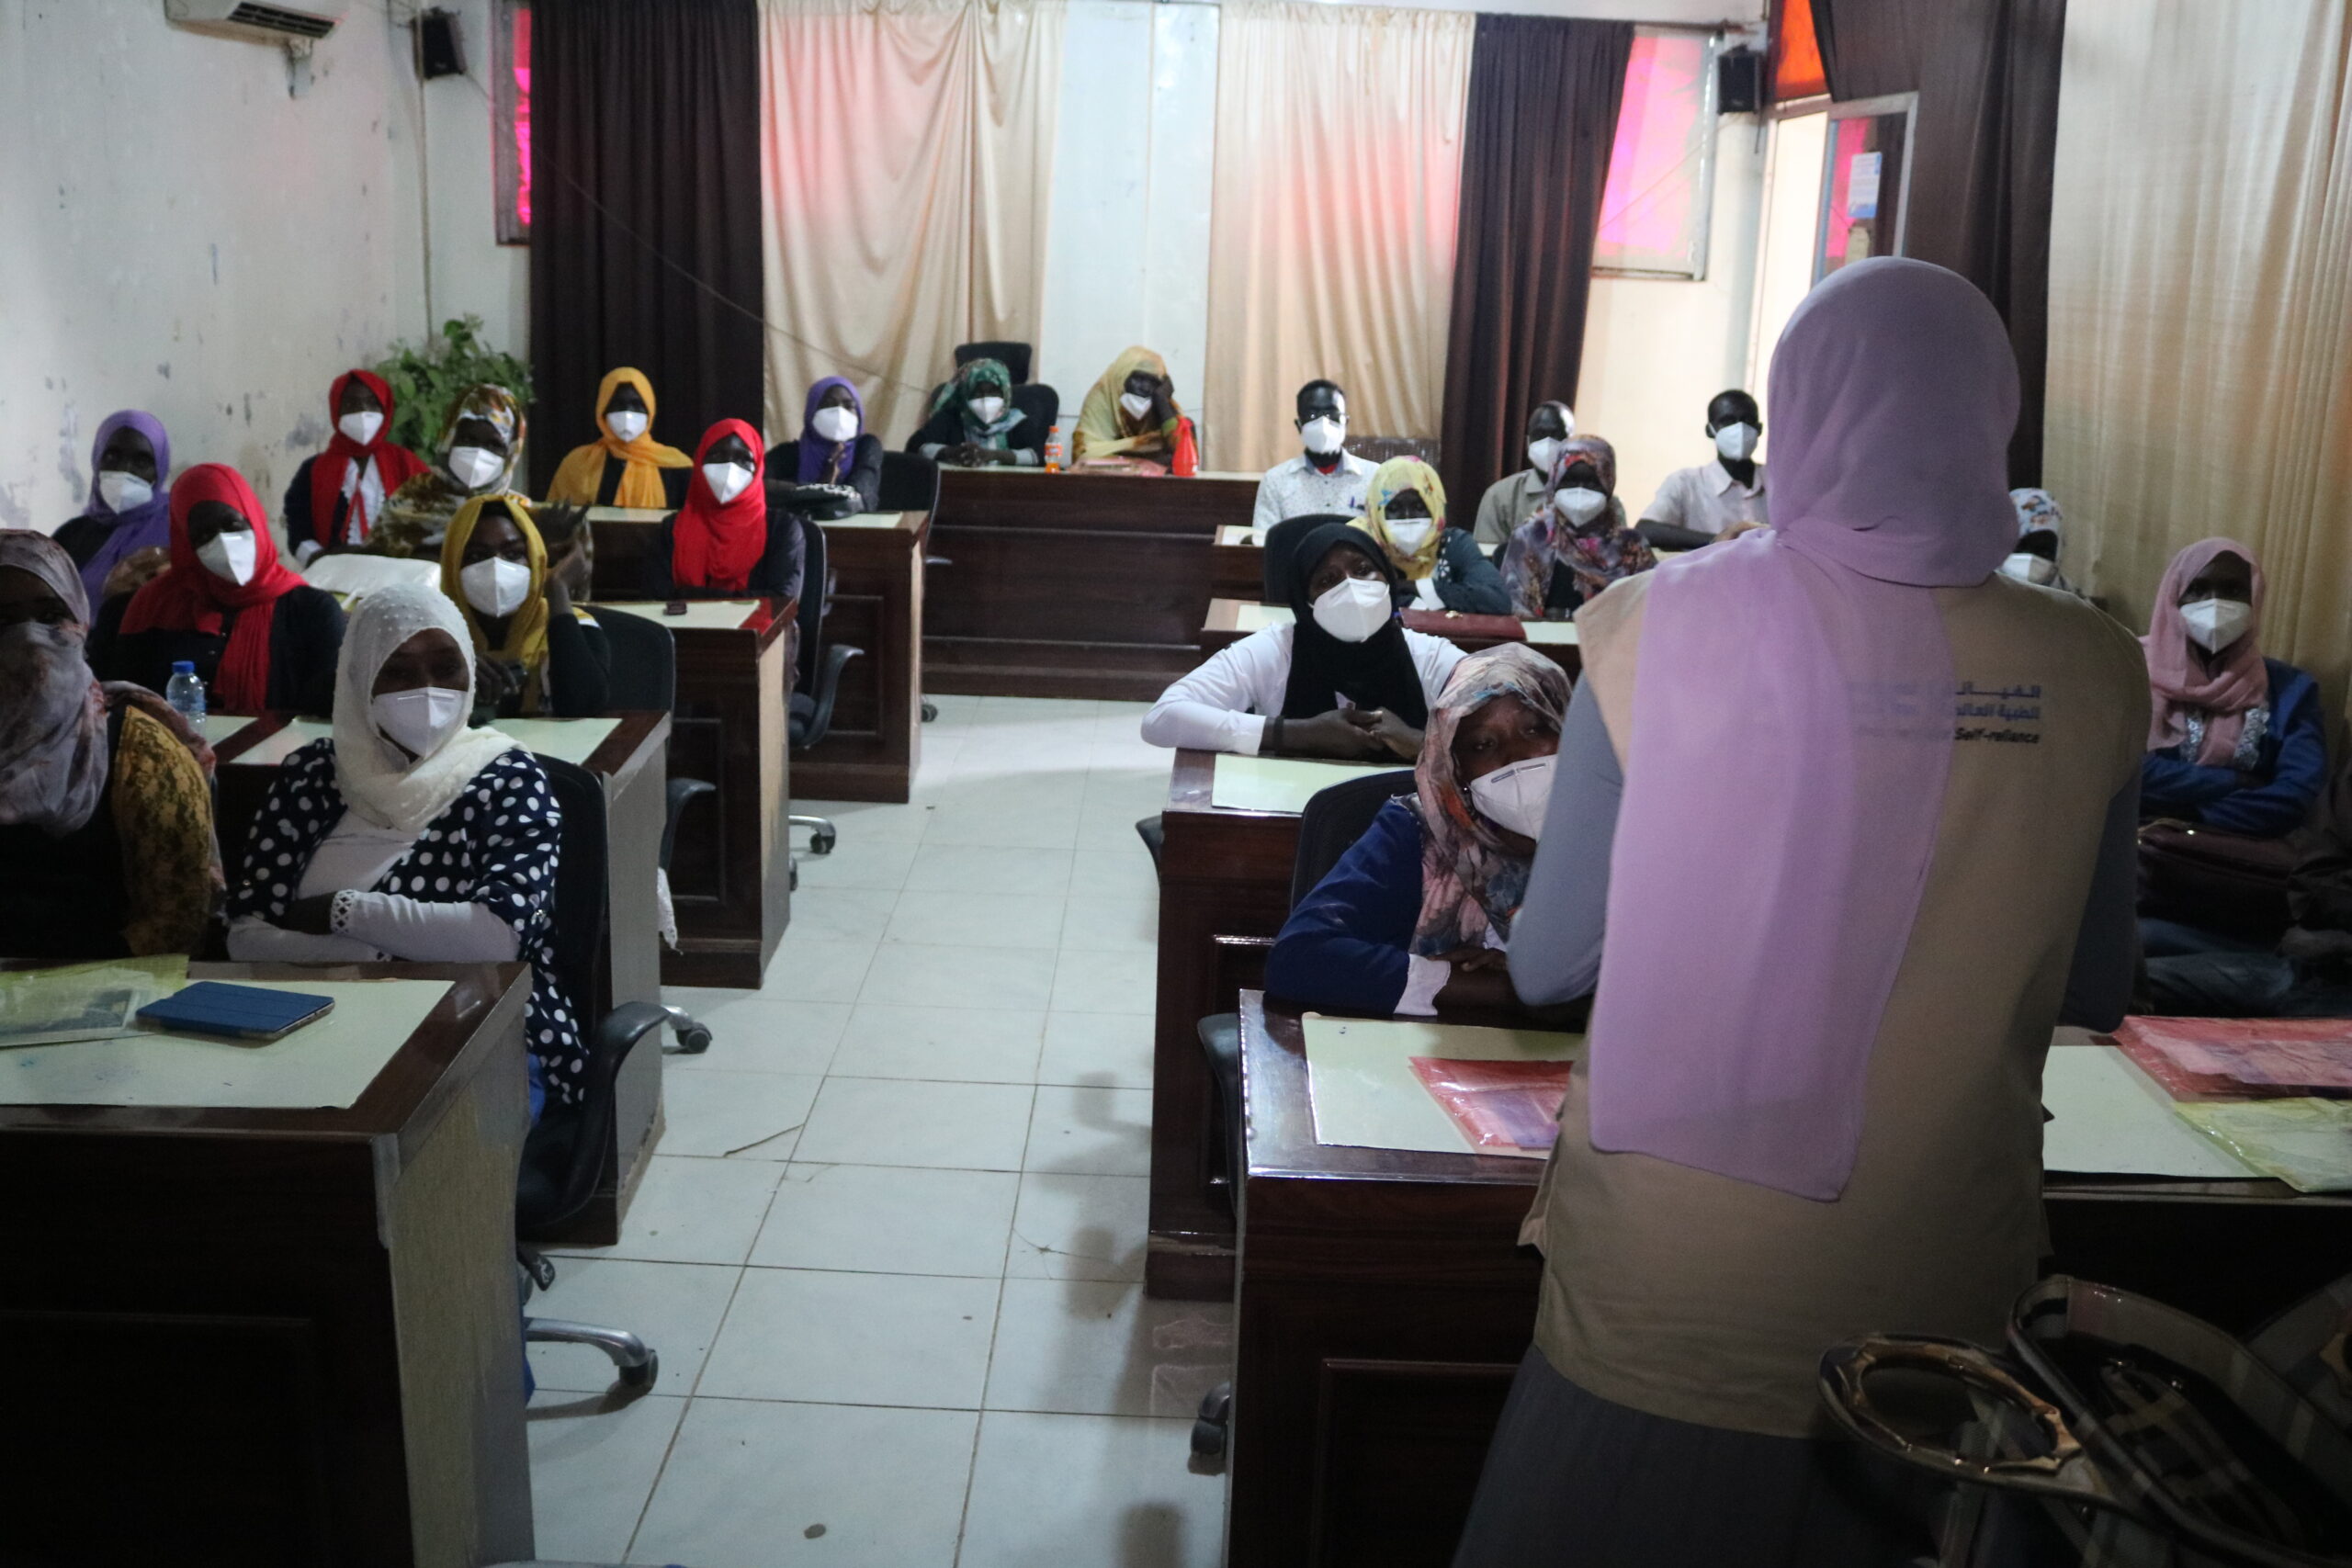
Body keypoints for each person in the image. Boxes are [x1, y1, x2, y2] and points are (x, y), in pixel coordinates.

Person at [1451, 258, 2151, 1568]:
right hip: (1935, 1269)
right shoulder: (2097, 665)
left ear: (1798, 407)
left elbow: (1552, 967)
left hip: (1674, 1265)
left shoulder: (1652, 626)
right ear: (1988, 410)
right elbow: (2096, 986)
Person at [223, 583, 587, 1120]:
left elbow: (496, 936)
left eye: (446, 667)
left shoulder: (506, 778)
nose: (427, 690)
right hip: (313, 1024)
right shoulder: (313, 775)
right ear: (359, 679)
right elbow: (246, 937)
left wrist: (339, 912)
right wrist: (380, 955)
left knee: (423, 1153)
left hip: (478, 1027)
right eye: (397, 672)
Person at [1267, 646, 1569, 1017]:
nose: (1515, 757)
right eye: (1483, 745)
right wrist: (1497, 988)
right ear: (1456, 771)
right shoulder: (1418, 832)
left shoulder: (1619, 838)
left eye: (1536, 728)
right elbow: (1299, 959)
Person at [0, 531, 220, 961]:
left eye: (50, 615)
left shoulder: (140, 750)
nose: (30, 638)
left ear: (80, 619)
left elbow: (176, 919)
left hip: (103, 992)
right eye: (3, 621)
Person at [1141, 521, 1464, 759]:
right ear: (1303, 602)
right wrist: (1296, 734)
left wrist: (1419, 742)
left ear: (1389, 580)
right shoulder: (1277, 650)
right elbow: (1163, 718)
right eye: (1328, 580)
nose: (1350, 588)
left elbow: (1506, 725)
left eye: (1364, 570)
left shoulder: (1428, 656)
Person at [89, 463, 345, 716]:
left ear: (254, 519)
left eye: (233, 525)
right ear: (187, 547)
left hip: (282, 754)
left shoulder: (312, 611)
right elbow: (123, 703)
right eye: (204, 535)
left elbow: (328, 712)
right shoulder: (154, 606)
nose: (223, 542)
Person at [2144, 748, 2352, 1018]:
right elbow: (2313, 881)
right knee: (2122, 978)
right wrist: (2231, 784)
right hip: (2313, 964)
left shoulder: (2290, 711)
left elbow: (2292, 799)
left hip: (2324, 978)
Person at [2140, 538, 2323, 840]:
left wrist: (2190, 817)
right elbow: (2125, 773)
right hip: (2134, 854)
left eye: (2233, 590)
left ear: (2255, 599)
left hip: (2231, 864)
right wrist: (2235, 782)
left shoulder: (2291, 690)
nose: (2214, 603)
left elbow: (2297, 796)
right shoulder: (2132, 669)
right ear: (2173, 598)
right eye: (2197, 589)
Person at [439, 495, 609, 718]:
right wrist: (449, 671)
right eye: (476, 556)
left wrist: (557, 587)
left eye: (513, 554)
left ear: (534, 561)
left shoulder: (576, 624)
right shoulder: (434, 637)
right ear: (452, 564)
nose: (496, 567)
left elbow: (584, 708)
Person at [645, 419, 807, 603]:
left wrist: (687, 594)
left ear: (758, 469)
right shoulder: (671, 529)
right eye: (717, 456)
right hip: (685, 630)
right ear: (699, 462)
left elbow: (780, 602)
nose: (730, 467)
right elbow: (655, 598)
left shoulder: (782, 529)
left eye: (743, 459)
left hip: (756, 630)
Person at [284, 369, 430, 562]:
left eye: (372, 403)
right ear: (337, 410)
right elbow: (298, 530)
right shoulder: (313, 470)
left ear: (384, 409)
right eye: (351, 404)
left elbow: (432, 523)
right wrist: (324, 559)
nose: (362, 412)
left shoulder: (407, 464)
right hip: (334, 573)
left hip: (399, 573)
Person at [1500, 436, 1656, 619]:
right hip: (1539, 643)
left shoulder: (1632, 546)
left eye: (1591, 483)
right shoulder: (1530, 537)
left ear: (1608, 484)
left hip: (1613, 645)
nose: (1580, 491)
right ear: (1555, 483)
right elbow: (1513, 607)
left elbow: (1652, 612)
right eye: (1570, 481)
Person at [373, 383, 527, 558]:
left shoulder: (521, 515)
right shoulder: (410, 496)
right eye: (468, 439)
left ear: (511, 453)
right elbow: (373, 562)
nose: (478, 452)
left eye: (493, 445)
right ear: (449, 439)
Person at [1353, 457, 1510, 615]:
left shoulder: (1453, 543)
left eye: (1419, 507)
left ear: (1435, 507)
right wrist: (1423, 602)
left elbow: (1497, 601)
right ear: (1376, 512)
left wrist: (1408, 586)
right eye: (1394, 508)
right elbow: (1356, 602)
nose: (1407, 517)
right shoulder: (1360, 541)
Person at [53, 411, 176, 609]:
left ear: (160, 469)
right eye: (112, 456)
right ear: (97, 460)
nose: (125, 470)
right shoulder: (70, 536)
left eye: (142, 461)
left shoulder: (179, 529)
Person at [1635, 389, 1770, 551]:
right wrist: (1718, 541)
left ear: (1759, 428)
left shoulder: (1778, 482)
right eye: (1727, 421)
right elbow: (1646, 530)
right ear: (1710, 430)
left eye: (1747, 420)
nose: (1739, 428)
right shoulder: (1686, 483)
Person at [543, 367, 694, 510]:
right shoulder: (577, 464)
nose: (628, 413)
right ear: (602, 410)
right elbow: (554, 523)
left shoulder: (677, 467)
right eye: (618, 404)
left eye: (636, 404)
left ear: (650, 410)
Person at [1250, 379, 1376, 538]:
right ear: (1299, 425)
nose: (1323, 422)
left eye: (1332, 414)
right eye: (1312, 415)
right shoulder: (1275, 481)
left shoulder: (1375, 476)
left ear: (1346, 422)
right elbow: (1264, 544)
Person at [1472, 401, 1577, 557]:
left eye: (1558, 435)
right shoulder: (1500, 496)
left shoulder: (1596, 497)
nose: (1548, 442)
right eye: (1539, 435)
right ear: (1528, 442)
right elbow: (1486, 563)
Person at [765, 377, 883, 515]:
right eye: (829, 404)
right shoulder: (789, 453)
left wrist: (810, 493)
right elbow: (757, 489)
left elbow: (860, 499)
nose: (839, 412)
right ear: (811, 411)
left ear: (859, 414)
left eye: (848, 406)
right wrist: (824, 485)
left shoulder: (866, 446)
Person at [909, 357, 1044, 468]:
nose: (986, 399)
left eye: (993, 392)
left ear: (1005, 394)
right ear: (966, 394)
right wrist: (951, 452)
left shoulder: (1016, 422)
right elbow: (915, 447)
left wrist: (994, 455)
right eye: (978, 393)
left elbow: (1041, 455)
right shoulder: (950, 418)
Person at [1071, 345, 1192, 468]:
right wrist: (1142, 444)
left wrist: (1163, 403)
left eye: (1152, 382)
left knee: (1187, 426)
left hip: (1150, 482)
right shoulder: (1104, 394)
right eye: (1139, 378)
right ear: (1121, 377)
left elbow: (1185, 457)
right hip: (1106, 482)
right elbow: (1082, 456)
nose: (1145, 387)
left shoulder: (1159, 399)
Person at [1999, 487, 2074, 591]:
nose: (2029, 560)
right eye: (2018, 548)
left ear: (2059, 550)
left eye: (2043, 552)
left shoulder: (2073, 604)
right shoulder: (1975, 599)